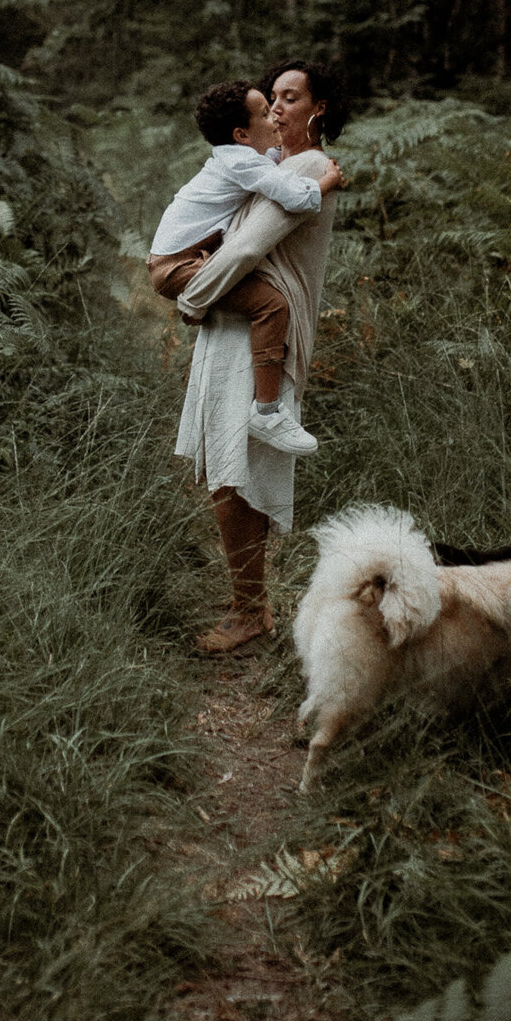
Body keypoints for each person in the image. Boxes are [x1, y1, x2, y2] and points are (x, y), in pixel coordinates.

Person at [174, 59, 350, 653]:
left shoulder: (308, 169)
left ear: (318, 109)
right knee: (233, 471)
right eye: (271, 97)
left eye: (291, 98)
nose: (276, 107)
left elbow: (244, 250)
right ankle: (250, 605)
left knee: (236, 473)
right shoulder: (271, 166)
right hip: (237, 329)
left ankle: (250, 612)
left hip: (254, 340)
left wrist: (189, 297)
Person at [147, 78, 343, 454]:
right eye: (266, 110)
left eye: (283, 103)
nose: (275, 117)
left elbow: (271, 166)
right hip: (176, 266)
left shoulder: (242, 158)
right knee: (271, 304)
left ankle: (264, 408)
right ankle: (267, 411)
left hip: (178, 258)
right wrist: (327, 181)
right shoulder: (242, 162)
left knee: (262, 301)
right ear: (240, 134)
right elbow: (291, 194)